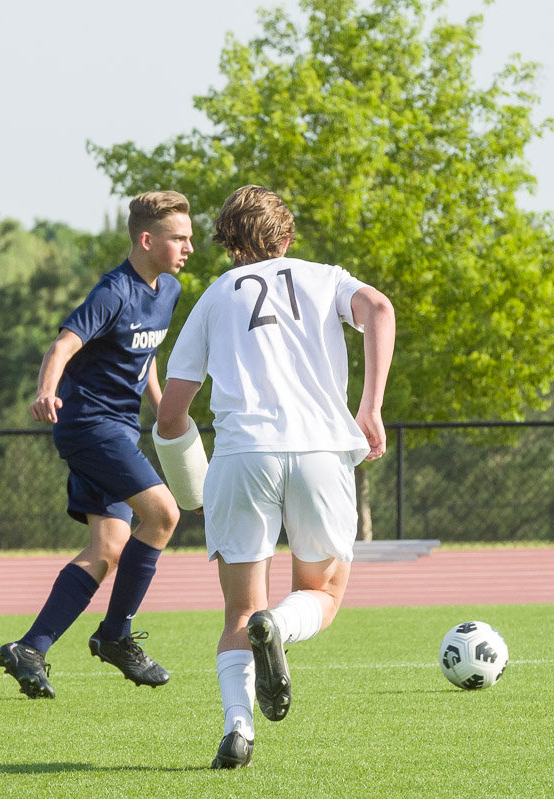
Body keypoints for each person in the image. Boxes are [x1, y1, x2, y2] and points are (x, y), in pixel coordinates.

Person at [154, 185, 395, 768]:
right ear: (286, 237)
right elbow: (381, 309)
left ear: (229, 243)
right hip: (318, 451)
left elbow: (170, 415)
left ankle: (239, 729)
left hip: (242, 456)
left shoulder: (213, 297)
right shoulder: (323, 276)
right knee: (322, 593)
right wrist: (370, 408)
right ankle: (279, 627)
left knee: (238, 614)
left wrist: (190, 485)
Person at [0, 190, 192, 699]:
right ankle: (115, 635)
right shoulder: (114, 292)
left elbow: (144, 357)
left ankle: (31, 647)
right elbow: (62, 345)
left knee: (108, 547)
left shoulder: (167, 290)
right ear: (147, 240)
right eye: (179, 238)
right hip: (88, 425)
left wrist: (164, 412)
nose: (188, 247)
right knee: (164, 516)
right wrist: (45, 393)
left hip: (120, 429)